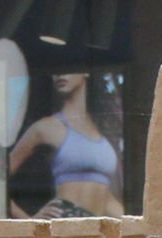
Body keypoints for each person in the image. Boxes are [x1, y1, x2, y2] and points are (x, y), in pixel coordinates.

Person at [7, 71, 123, 219]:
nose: (60, 74)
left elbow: (104, 196)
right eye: (56, 70)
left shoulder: (102, 131)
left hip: (95, 225)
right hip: (64, 222)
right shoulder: (47, 127)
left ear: (86, 72)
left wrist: (135, 224)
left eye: (70, 67)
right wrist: (29, 222)